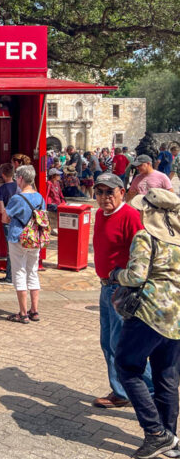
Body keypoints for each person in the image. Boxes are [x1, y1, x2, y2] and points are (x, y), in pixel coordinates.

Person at [112, 189, 180, 459]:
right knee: (167, 377)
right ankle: (171, 439)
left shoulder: (145, 237)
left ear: (149, 213)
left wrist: (117, 274)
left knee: (127, 367)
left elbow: (137, 276)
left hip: (149, 314)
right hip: (176, 316)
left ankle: (155, 433)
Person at [91, 173, 153, 409]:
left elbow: (143, 254)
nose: (104, 197)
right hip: (105, 288)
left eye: (110, 192)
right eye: (100, 192)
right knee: (108, 342)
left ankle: (149, 390)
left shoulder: (129, 216)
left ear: (122, 192)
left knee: (123, 344)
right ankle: (120, 391)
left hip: (123, 289)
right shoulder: (99, 214)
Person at [2, 165, 45, 324]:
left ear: (20, 178)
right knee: (33, 271)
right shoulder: (40, 197)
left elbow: (5, 217)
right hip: (35, 239)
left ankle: (23, 312)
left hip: (18, 237)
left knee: (19, 272)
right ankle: (34, 310)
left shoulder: (16, 199)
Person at [0, 163, 17, 285]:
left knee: (10, 249)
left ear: (3, 175)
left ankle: (9, 277)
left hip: (8, 222)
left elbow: (1, 209)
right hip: (20, 221)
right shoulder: (19, 186)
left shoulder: (1, 189)